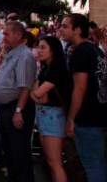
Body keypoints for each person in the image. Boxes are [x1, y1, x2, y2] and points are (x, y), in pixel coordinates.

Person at [61, 14, 107, 182]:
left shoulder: (81, 52)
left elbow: (80, 87)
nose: (61, 29)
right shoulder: (94, 49)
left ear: (78, 30)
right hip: (98, 114)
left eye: (65, 26)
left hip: (87, 117)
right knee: (97, 163)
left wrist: (71, 118)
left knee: (92, 164)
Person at [0, 20, 36, 182]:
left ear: (18, 35)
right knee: (10, 152)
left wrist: (18, 111)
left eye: (7, 33)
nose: (3, 36)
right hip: (5, 109)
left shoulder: (24, 56)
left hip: (16, 108)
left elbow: (25, 87)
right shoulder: (12, 53)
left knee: (19, 155)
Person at [30, 35, 71, 182]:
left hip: (53, 116)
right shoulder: (46, 69)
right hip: (46, 115)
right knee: (50, 161)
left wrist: (35, 93)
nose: (39, 51)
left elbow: (37, 94)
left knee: (55, 163)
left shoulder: (57, 69)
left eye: (43, 47)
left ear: (53, 50)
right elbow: (38, 96)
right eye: (38, 47)